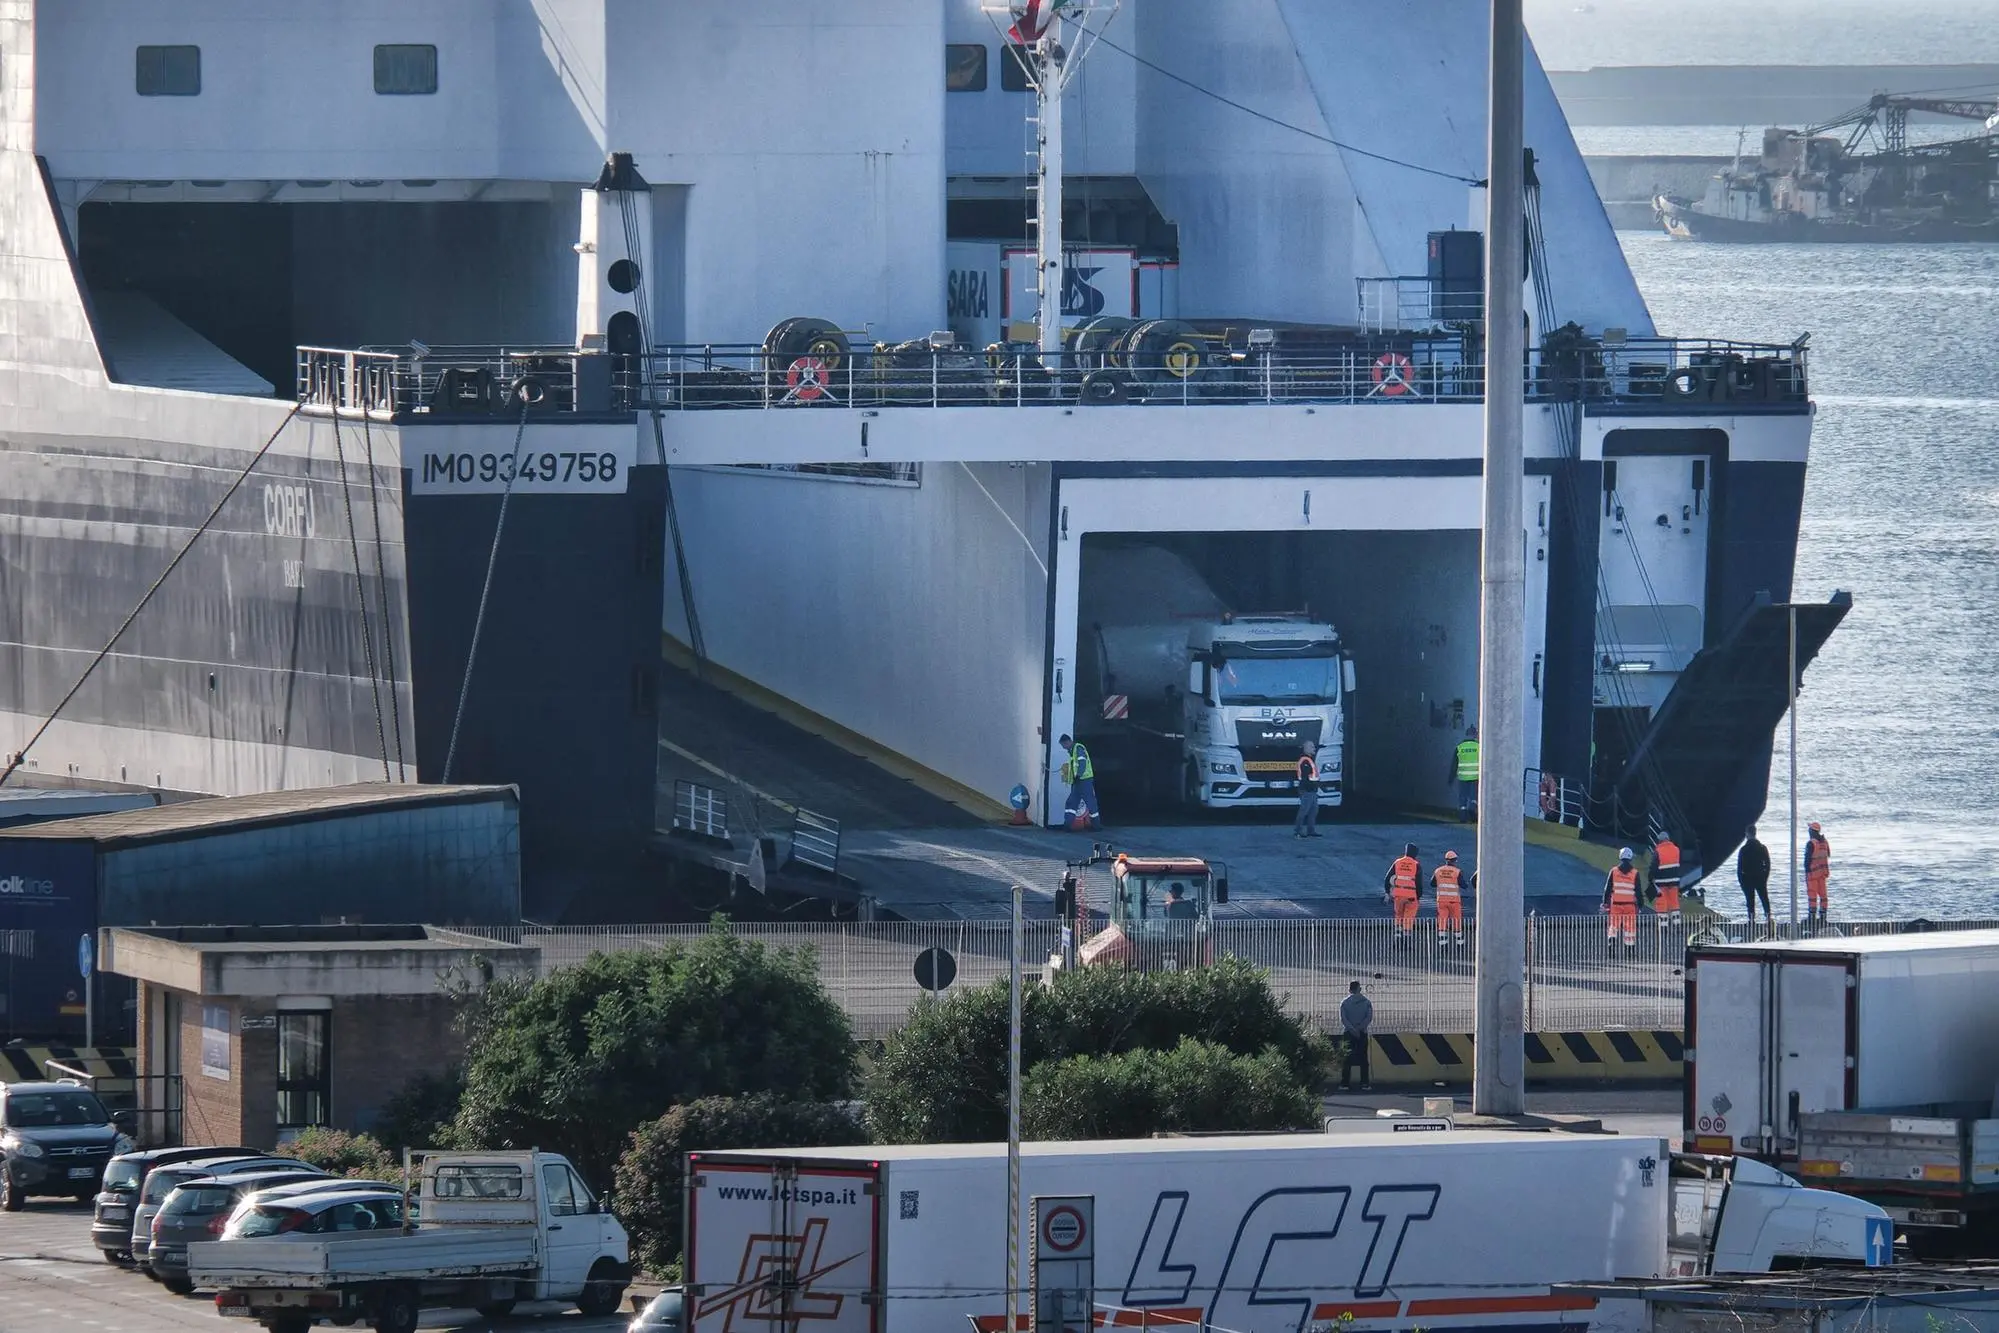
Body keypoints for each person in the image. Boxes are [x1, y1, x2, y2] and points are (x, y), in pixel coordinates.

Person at [1057, 734, 1101, 831]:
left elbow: (1082, 763)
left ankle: (1096, 826)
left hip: (1084, 780)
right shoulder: (1073, 751)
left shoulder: (1078, 749)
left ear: (1067, 742)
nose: (1064, 748)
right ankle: (1067, 825)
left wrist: (1079, 775)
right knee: (1071, 803)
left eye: (1063, 745)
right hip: (1078, 781)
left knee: (1090, 802)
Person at [1602, 846, 1641, 950]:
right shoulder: (1635, 873)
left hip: (1616, 905)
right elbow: (1638, 891)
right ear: (1631, 857)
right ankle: (1630, 952)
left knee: (1613, 927)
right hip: (1630, 906)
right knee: (1630, 929)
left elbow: (1608, 889)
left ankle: (1611, 949)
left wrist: (1605, 903)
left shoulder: (1614, 871)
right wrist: (1640, 905)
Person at [1339, 981, 1374, 1091]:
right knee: (1363, 1058)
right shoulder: (1367, 1002)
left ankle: (1345, 1083)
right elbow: (1369, 1018)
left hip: (1349, 1033)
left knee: (1347, 1058)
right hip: (1362, 1032)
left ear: (1350, 990)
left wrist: (1352, 1029)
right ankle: (1364, 1083)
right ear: (1360, 989)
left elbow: (1343, 1019)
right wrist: (1360, 1028)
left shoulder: (1344, 1003)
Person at [1385, 843, 1422, 945]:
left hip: (1398, 895)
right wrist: (1418, 896)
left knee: (1398, 916)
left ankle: (1397, 940)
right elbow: (1419, 883)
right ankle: (1406, 942)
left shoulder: (1397, 862)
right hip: (1411, 897)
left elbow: (1387, 878)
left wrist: (1387, 892)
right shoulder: (1416, 864)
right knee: (1408, 919)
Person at [1738, 825, 1773, 928]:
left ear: (1747, 834)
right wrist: (1765, 876)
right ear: (1755, 833)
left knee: (1750, 900)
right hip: (1760, 877)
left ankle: (1751, 920)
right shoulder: (1762, 848)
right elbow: (1768, 864)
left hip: (1747, 878)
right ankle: (1768, 918)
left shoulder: (1744, 849)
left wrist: (1741, 881)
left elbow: (1740, 868)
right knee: (1764, 898)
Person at [1431, 850, 1466, 945]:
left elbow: (1432, 884)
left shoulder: (1438, 871)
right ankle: (1460, 944)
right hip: (1454, 901)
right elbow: (1464, 885)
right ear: (1454, 860)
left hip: (1442, 901)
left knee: (1442, 922)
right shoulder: (1457, 871)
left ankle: (1443, 944)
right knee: (1457, 922)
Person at [1650, 832, 1683, 927]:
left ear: (1659, 841)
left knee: (1662, 903)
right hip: (1674, 881)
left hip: (1661, 882)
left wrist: (1650, 877)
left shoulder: (1658, 851)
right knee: (1674, 903)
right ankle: (1677, 925)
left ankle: (1663, 926)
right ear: (1668, 839)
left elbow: (1653, 866)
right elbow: (1678, 863)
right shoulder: (1676, 849)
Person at [1804, 821, 1831, 926]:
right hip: (1822, 873)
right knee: (1823, 896)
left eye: (1809, 829)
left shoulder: (1811, 843)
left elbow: (1807, 860)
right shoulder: (1825, 842)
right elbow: (1827, 855)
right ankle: (1823, 918)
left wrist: (1807, 870)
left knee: (1812, 896)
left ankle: (1811, 919)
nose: (1808, 831)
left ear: (1812, 831)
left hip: (1812, 874)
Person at [1293, 742, 1322, 838]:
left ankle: (1311, 830)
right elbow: (1306, 777)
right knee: (1304, 811)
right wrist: (1310, 786)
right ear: (1305, 748)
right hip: (1307, 790)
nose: (1314, 748)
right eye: (1312, 747)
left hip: (1312, 790)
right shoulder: (1304, 760)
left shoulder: (1309, 759)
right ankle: (1298, 831)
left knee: (1313, 811)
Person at [1451, 726, 1480, 822]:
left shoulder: (1460, 747)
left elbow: (1454, 764)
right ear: (1475, 735)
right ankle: (1472, 813)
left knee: (1463, 796)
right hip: (1476, 776)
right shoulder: (1479, 747)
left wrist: (1451, 778)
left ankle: (1463, 817)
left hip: (1463, 777)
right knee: (1473, 797)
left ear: (1466, 734)